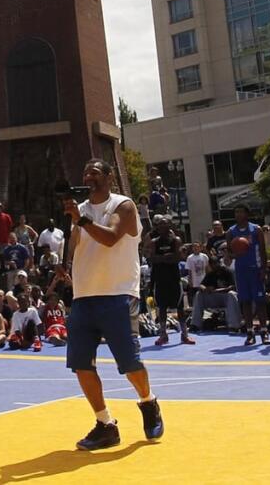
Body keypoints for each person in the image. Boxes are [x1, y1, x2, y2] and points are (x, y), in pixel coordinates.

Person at [64, 159, 162, 451]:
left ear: (109, 177)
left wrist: (80, 220)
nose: (88, 176)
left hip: (118, 293)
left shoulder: (124, 205)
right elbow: (76, 245)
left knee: (129, 363)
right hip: (84, 294)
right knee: (81, 364)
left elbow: (110, 238)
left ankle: (148, 402)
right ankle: (105, 423)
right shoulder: (79, 210)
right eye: (85, 172)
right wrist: (65, 262)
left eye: (94, 172)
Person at [227, 204, 270, 345]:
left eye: (240, 211)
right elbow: (229, 255)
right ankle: (250, 331)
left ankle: (264, 331)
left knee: (260, 301)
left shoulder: (256, 229)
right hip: (241, 270)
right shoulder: (231, 232)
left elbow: (263, 250)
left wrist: (264, 269)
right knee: (245, 301)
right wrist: (234, 254)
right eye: (236, 212)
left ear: (247, 213)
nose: (238, 214)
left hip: (255, 269)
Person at [146, 216, 193, 346]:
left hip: (174, 278)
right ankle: (163, 335)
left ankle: (184, 335)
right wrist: (166, 257)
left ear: (169, 226)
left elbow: (177, 258)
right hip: (160, 278)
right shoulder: (154, 242)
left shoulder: (176, 240)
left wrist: (162, 258)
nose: (162, 227)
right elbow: (152, 259)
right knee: (162, 308)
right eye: (160, 225)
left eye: (165, 224)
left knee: (180, 307)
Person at [190, 255, 241, 332]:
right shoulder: (211, 274)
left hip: (225, 297)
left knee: (231, 294)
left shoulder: (228, 272)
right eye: (212, 264)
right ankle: (195, 324)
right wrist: (205, 289)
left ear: (219, 263)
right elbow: (201, 285)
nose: (214, 266)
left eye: (215, 263)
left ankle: (234, 326)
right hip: (213, 297)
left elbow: (232, 287)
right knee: (198, 294)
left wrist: (216, 290)